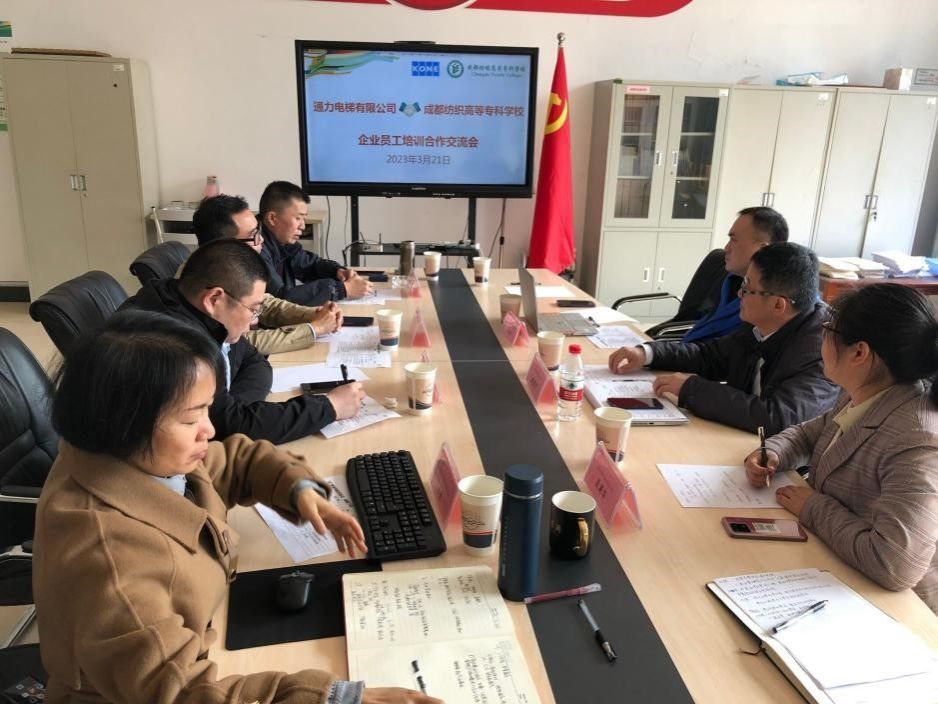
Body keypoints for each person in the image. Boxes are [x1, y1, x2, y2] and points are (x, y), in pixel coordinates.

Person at [34, 310, 439, 704]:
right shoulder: (108, 561)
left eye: (206, 410)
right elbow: (179, 693)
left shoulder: (132, 456)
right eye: (191, 419)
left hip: (196, 639)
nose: (209, 430)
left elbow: (234, 461)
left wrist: (298, 490)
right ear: (127, 424)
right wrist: (330, 697)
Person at [745, 284, 938, 613]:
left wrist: (812, 506)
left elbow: (894, 563)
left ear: (859, 353)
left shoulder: (917, 437)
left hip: (894, 609)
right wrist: (773, 452)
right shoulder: (868, 391)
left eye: (828, 331)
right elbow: (810, 433)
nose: (821, 339)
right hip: (835, 563)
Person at [121, 238, 365, 443]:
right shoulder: (175, 347)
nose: (255, 321)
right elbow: (226, 428)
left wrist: (237, 412)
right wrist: (328, 407)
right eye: (254, 309)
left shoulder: (198, 311)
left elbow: (254, 361)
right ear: (214, 299)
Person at [608, 242, 838, 435]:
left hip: (778, 461)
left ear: (779, 305)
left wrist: (692, 389)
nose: (739, 293)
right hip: (738, 437)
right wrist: (648, 353)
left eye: (747, 288)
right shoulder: (759, 323)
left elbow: (776, 417)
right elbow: (709, 356)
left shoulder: (824, 349)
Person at [192, 194, 343, 355]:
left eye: (259, 232)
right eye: (253, 236)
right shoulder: (202, 283)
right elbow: (241, 344)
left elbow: (267, 306)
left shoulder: (232, 268)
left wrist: (316, 314)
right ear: (223, 245)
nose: (261, 241)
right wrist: (314, 329)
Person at [683, 206, 789, 343]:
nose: (726, 248)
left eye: (734, 240)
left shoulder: (769, 307)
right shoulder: (731, 280)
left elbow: (725, 350)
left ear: (763, 249)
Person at [258, 180, 374, 306]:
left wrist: (337, 272)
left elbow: (309, 266)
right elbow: (280, 299)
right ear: (272, 218)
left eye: (304, 218)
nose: (303, 226)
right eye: (298, 218)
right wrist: (342, 289)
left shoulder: (282, 242)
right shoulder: (255, 249)